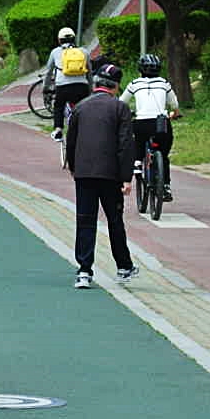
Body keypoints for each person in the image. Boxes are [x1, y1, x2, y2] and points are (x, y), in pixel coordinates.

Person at [64, 62, 138, 288]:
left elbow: (71, 140)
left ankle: (84, 270)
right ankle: (123, 266)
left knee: (85, 220)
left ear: (96, 83)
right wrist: (126, 177)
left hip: (84, 172)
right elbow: (125, 144)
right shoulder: (120, 108)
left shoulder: (81, 107)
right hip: (110, 173)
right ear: (116, 86)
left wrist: (74, 167)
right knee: (115, 220)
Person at [122, 53, 181, 202]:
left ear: (140, 69)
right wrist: (176, 113)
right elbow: (174, 104)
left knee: (138, 141)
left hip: (141, 123)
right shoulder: (164, 83)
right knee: (163, 154)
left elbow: (122, 102)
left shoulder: (134, 84)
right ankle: (166, 186)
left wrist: (128, 114)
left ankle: (137, 163)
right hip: (161, 123)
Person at [48, 26, 92, 138]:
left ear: (59, 40)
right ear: (74, 39)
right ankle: (87, 128)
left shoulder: (55, 52)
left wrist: (45, 88)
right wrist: (90, 89)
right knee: (84, 109)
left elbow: (48, 72)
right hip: (81, 87)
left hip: (62, 88)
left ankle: (58, 129)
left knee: (58, 106)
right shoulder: (84, 52)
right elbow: (89, 73)